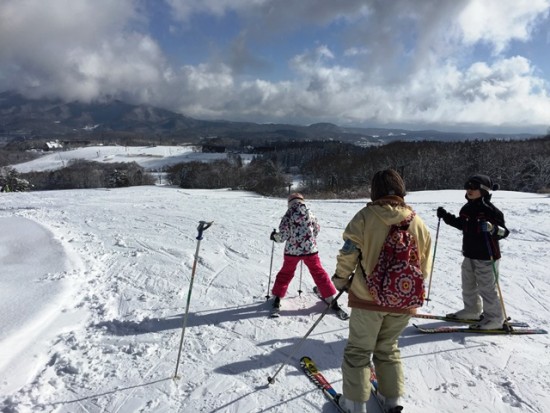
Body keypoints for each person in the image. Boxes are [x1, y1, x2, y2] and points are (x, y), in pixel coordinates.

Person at [332, 169, 432, 413]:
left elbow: (348, 253)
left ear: (374, 191)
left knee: (359, 351)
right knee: (388, 348)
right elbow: (424, 266)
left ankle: (355, 404)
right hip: (403, 302)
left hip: (367, 300)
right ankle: (393, 400)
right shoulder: (417, 222)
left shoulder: (364, 217)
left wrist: (341, 280)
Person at [436, 174, 509, 330]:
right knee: (468, 285)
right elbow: (461, 224)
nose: (469, 189)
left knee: (487, 288)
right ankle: (472, 310)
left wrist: (492, 228)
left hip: (487, 256)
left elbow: (504, 232)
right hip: (469, 254)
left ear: (483, 190)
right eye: (467, 186)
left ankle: (495, 318)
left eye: (473, 187)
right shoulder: (467, 208)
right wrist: (446, 216)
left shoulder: (491, 211)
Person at [270, 193, 341, 311]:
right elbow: (317, 230)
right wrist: (308, 240)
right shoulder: (310, 213)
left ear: (290, 203)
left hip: (292, 251)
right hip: (310, 250)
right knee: (318, 272)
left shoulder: (288, 214)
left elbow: (283, 235)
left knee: (286, 273)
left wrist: (275, 237)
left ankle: (278, 296)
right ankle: (329, 296)